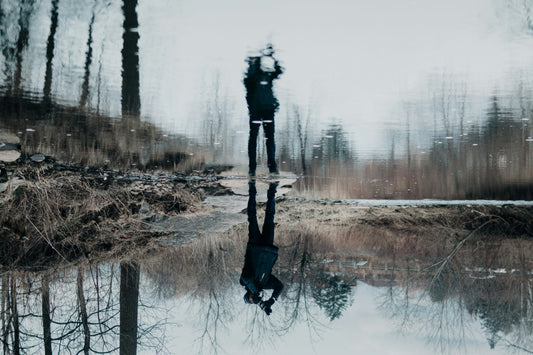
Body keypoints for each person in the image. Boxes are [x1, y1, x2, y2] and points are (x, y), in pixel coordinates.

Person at [239, 180, 284, 315]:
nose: (255, 299)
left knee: (252, 217)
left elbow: (247, 277)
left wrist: (254, 291)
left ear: (248, 295)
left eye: (251, 299)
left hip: (255, 246)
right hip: (267, 249)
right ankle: (272, 191)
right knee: (270, 217)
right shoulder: (265, 284)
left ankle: (252, 190)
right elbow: (279, 286)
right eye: (255, 300)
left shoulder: (245, 283)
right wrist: (272, 300)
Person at [243, 44, 283, 177]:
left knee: (268, 139)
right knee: (255, 139)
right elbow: (250, 81)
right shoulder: (250, 78)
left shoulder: (266, 75)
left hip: (267, 109)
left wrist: (272, 56)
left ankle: (271, 167)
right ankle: (252, 168)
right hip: (257, 110)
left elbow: (279, 71)